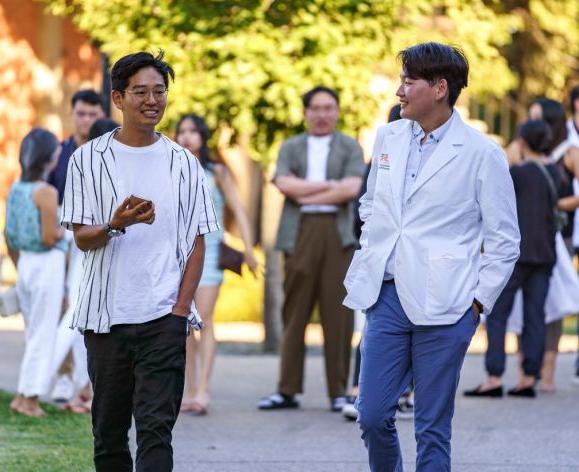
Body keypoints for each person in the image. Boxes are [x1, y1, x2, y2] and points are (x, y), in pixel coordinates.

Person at [344, 42, 520, 471]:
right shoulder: (388, 136)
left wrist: (476, 306)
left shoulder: (482, 154)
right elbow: (370, 204)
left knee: (432, 427)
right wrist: (375, 246)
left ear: (440, 88)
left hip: (448, 304)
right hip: (385, 296)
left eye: (408, 81)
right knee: (371, 415)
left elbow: (504, 240)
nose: (399, 91)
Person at [60, 51, 219, 471]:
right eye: (141, 92)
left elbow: (197, 243)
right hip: (105, 319)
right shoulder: (86, 161)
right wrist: (114, 224)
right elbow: (81, 239)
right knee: (109, 435)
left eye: (160, 91)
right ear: (118, 97)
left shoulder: (186, 165)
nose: (153, 100)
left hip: (163, 319)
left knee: (155, 431)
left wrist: (180, 310)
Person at [258, 86, 365, 412]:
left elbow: (352, 188)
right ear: (305, 112)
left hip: (338, 233)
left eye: (328, 108)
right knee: (294, 312)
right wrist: (329, 188)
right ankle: (287, 389)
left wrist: (305, 192)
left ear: (337, 111)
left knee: (339, 315)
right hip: (299, 233)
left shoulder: (350, 146)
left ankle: (338, 392)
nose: (322, 114)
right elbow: (283, 183)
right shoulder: (292, 146)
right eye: (315, 108)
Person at [465, 119, 561, 399]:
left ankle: (494, 376)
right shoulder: (554, 172)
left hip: (518, 254)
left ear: (522, 142)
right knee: (535, 315)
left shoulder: (517, 173)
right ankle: (529, 377)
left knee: (496, 315)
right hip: (545, 254)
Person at [175, 114, 259, 415]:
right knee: (183, 324)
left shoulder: (217, 172)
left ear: (203, 136)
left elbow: (239, 209)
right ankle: (188, 391)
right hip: (177, 256)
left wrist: (249, 250)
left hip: (209, 253)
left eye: (193, 131)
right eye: (182, 131)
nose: (187, 137)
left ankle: (202, 391)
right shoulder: (171, 170)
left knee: (205, 320)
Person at [343, 104, 414, 422]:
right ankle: (361, 389)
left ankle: (407, 393)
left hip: (418, 268)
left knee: (417, 330)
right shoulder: (380, 162)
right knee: (374, 329)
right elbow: (364, 207)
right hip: (382, 264)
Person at [50, 118, 120, 414]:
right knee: (81, 321)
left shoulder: (84, 170)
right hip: (92, 256)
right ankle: (63, 386)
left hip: (87, 256)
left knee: (87, 325)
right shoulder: (97, 173)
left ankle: (84, 389)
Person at [5, 128, 67, 417]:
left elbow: (9, 234)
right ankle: (29, 399)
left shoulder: (17, 188)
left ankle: (22, 395)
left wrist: (19, 266)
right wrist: (68, 232)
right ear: (49, 157)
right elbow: (49, 236)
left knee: (35, 334)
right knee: (44, 334)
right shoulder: (47, 192)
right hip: (46, 264)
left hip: (26, 264)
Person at [49, 89, 105, 403]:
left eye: (92, 115)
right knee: (66, 307)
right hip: (61, 238)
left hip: (91, 236)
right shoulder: (60, 153)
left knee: (81, 310)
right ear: (72, 114)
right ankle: (61, 376)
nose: (85, 120)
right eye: (81, 113)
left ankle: (83, 381)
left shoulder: (106, 151)